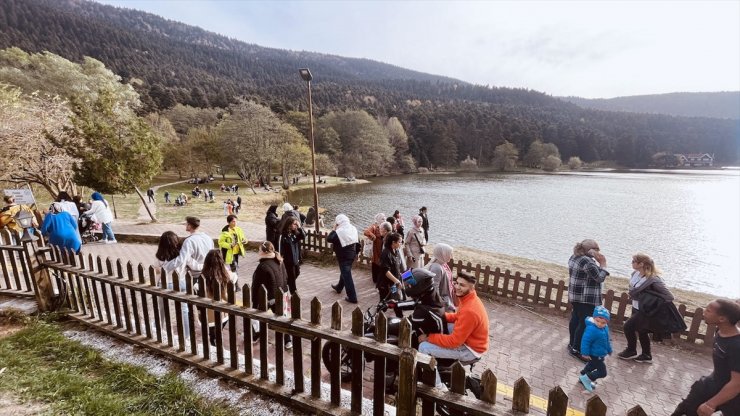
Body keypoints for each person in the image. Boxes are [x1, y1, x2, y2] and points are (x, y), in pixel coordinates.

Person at [417, 271, 489, 388]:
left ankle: (439, 388)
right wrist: (440, 315)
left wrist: (429, 337)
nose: (457, 287)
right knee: (445, 326)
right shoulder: (469, 299)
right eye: (457, 283)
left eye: (462, 285)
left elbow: (455, 341)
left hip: (469, 349)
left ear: (471, 288)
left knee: (423, 347)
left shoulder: (470, 310)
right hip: (471, 341)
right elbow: (457, 317)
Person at [671, 299, 740, 416]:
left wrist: (711, 404)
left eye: (708, 311)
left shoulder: (736, 345)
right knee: (683, 411)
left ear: (722, 319)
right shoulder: (720, 330)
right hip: (711, 384)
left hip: (731, 394)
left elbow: (736, 384)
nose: (704, 312)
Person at [618, 253, 679, 364]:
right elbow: (633, 289)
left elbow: (669, 296)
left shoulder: (653, 279)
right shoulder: (635, 274)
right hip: (636, 307)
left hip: (645, 310)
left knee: (627, 326)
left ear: (641, 264)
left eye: (633, 261)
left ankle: (631, 350)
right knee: (642, 331)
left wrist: (651, 300)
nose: (631, 263)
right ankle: (646, 355)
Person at [567, 239, 609, 361]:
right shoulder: (588, 262)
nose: (598, 251)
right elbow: (599, 278)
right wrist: (603, 264)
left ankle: (572, 344)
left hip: (575, 295)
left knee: (575, 319)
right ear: (589, 250)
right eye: (596, 248)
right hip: (586, 298)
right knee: (584, 323)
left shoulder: (574, 256)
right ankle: (577, 349)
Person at [251, 241, 292, 349]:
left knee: (256, 314)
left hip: (269, 297)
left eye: (259, 250)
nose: (258, 252)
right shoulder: (279, 261)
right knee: (282, 317)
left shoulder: (262, 266)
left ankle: (256, 335)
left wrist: (254, 301)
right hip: (281, 294)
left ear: (264, 252)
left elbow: (255, 285)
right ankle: (288, 340)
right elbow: (286, 277)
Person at [155, 231, 193, 337]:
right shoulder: (182, 254)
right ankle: (187, 335)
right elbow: (191, 265)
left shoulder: (160, 255)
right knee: (184, 309)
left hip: (165, 284)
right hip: (181, 282)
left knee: (163, 308)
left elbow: (157, 271)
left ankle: (160, 329)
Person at [200, 249, 232, 346]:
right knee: (218, 331)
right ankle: (217, 342)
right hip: (223, 314)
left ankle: (213, 343)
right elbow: (227, 297)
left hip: (207, 315)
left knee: (212, 334)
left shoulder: (202, 276)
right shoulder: (226, 276)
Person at [327, 214, 361, 303]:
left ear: (338, 222)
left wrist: (334, 228)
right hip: (352, 254)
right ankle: (339, 287)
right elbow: (357, 242)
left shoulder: (339, 231)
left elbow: (329, 238)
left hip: (343, 256)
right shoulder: (353, 228)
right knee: (345, 272)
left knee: (347, 275)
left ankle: (352, 297)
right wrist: (357, 253)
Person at [578, 306, 613, 392]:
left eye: (603, 322)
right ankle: (586, 379)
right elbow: (585, 341)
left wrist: (609, 349)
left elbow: (607, 340)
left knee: (591, 366)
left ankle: (582, 377)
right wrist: (585, 353)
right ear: (594, 318)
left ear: (607, 322)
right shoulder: (592, 329)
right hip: (595, 354)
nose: (600, 324)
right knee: (602, 372)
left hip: (600, 353)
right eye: (597, 321)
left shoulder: (605, 328)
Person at [425, 243, 457, 311]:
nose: (451, 257)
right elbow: (434, 289)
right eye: (449, 254)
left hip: (446, 299)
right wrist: (442, 304)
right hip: (442, 303)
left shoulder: (443, 264)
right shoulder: (436, 267)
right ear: (443, 253)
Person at [278, 216, 305, 295]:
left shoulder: (295, 234)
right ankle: (294, 294)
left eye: (296, 224)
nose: (296, 226)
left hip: (296, 260)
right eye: (294, 224)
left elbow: (303, 236)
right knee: (292, 278)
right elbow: (280, 250)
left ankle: (286, 283)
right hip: (288, 262)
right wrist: (280, 260)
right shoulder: (283, 236)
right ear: (289, 225)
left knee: (297, 273)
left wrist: (299, 227)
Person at [378, 232, 404, 302]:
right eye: (399, 242)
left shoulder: (397, 251)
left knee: (395, 300)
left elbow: (399, 267)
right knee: (385, 302)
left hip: (393, 284)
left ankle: (399, 313)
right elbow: (386, 271)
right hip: (386, 285)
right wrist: (397, 281)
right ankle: (377, 313)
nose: (401, 244)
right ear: (393, 242)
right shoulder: (386, 253)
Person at [363, 213, 387, 284]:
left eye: (385, 218)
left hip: (383, 248)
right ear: (378, 219)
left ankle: (381, 278)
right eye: (382, 219)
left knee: (382, 263)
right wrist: (373, 237)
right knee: (376, 263)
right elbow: (366, 232)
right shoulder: (374, 226)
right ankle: (375, 279)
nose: (384, 220)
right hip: (376, 249)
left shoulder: (385, 226)